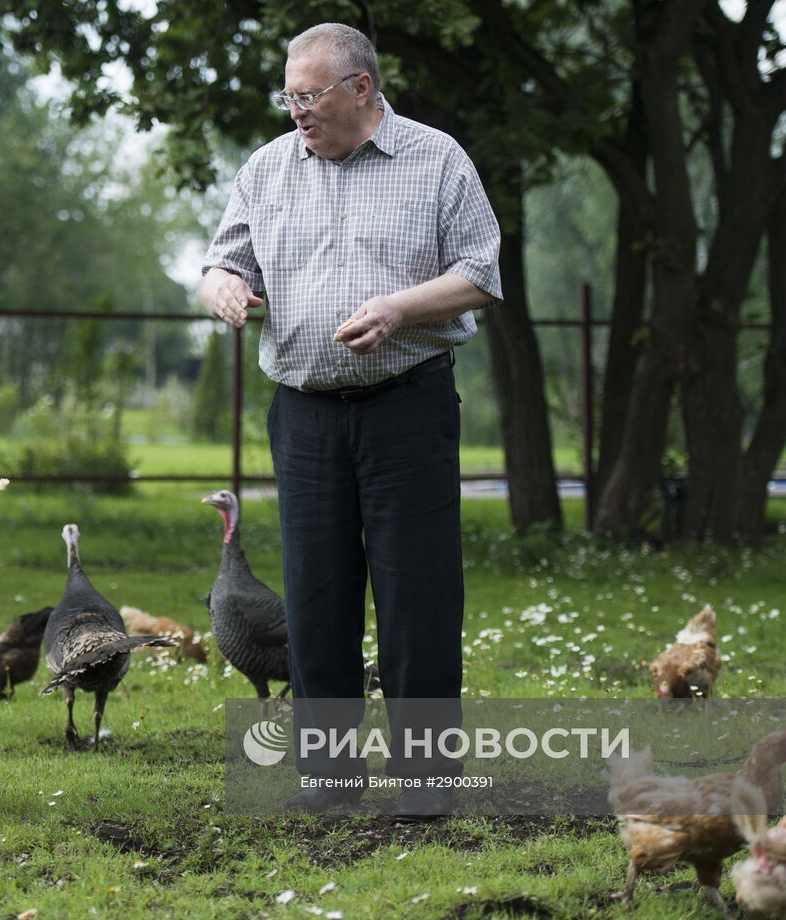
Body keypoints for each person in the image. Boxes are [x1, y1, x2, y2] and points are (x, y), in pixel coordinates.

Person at [199, 22, 502, 819]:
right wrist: (225, 287)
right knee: (315, 598)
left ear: (361, 90)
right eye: (289, 96)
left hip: (409, 406)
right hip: (303, 417)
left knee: (418, 595)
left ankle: (427, 782)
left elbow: (480, 271)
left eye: (310, 95)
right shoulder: (267, 168)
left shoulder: (437, 159)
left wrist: (400, 308)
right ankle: (330, 777)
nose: (296, 110)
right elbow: (222, 259)